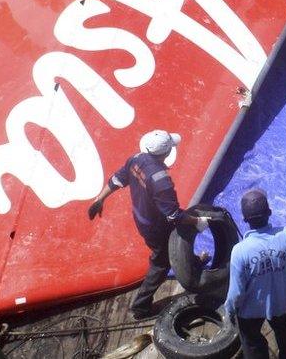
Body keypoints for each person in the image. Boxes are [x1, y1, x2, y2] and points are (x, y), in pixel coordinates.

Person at [86, 130, 212, 319]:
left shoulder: (136, 159)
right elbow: (174, 216)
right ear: (166, 154)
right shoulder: (161, 181)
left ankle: (192, 262)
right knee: (160, 263)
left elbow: (117, 179)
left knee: (180, 238)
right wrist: (197, 221)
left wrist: (100, 199)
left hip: (142, 217)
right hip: (156, 225)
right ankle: (140, 307)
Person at [225, 189, 286, 359]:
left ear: (245, 219)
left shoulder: (239, 251)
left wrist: (230, 309)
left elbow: (236, 292)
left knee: (252, 342)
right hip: (281, 302)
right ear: (269, 212)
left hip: (251, 309)